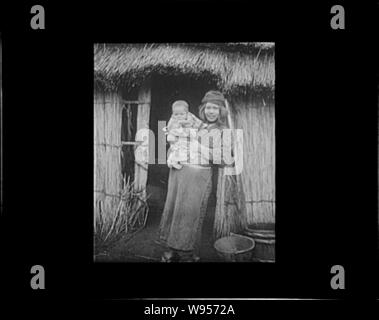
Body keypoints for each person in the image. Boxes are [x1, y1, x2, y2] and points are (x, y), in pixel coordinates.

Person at [157, 90, 233, 262]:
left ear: (221, 110)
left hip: (199, 176)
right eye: (208, 108)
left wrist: (199, 147)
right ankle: (171, 249)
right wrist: (172, 153)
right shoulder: (192, 123)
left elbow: (224, 159)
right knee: (174, 211)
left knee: (192, 215)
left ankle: (189, 254)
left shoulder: (223, 130)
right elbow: (173, 142)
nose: (211, 111)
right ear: (202, 109)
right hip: (179, 172)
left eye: (215, 108)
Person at [163, 100, 207, 169]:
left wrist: (202, 127)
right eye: (176, 114)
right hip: (178, 137)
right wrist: (171, 133)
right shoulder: (173, 120)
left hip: (189, 136)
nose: (179, 116)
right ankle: (173, 162)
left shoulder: (190, 118)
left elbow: (198, 124)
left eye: (181, 114)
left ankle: (189, 160)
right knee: (175, 150)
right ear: (173, 114)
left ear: (187, 113)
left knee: (192, 148)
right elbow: (169, 129)